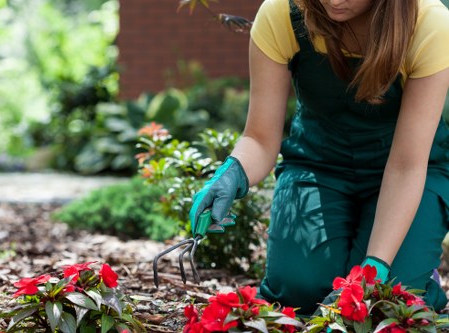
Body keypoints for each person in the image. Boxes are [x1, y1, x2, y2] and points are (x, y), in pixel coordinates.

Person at [189, 0, 449, 315]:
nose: (334, 0)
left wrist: (377, 265)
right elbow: (259, 137)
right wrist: (231, 174)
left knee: (386, 299)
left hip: (409, 171)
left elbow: (407, 166)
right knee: (299, 290)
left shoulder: (429, 24)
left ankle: (419, 272)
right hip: (319, 164)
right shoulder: (283, 14)